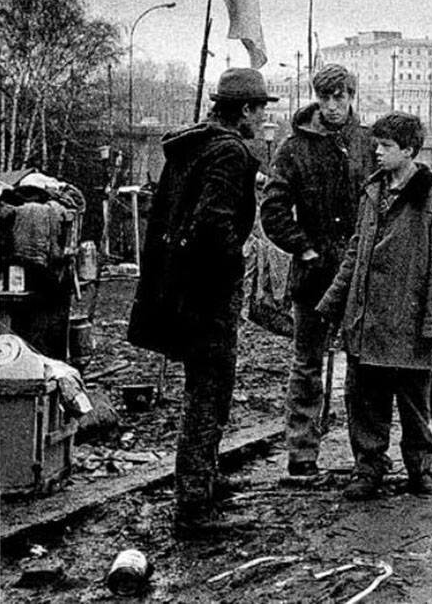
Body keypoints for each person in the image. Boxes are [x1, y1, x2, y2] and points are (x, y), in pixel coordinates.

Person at [127, 68, 276, 538]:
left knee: (202, 391)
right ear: (247, 110)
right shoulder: (231, 152)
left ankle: (200, 488)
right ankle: (195, 506)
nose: (263, 117)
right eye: (261, 109)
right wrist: (240, 251)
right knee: (210, 394)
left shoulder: (192, 145)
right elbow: (213, 222)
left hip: (180, 291)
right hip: (208, 296)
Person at [317, 112, 432, 500]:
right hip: (367, 321)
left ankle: (420, 468)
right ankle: (368, 468)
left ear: (410, 151)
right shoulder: (372, 193)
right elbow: (355, 253)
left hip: (409, 325)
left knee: (415, 404)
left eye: (386, 146)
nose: (377, 152)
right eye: (376, 145)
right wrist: (332, 303)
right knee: (365, 402)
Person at [260, 64, 373, 477]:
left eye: (339, 97)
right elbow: (272, 210)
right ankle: (302, 453)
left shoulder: (369, 144)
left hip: (361, 273)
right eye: (324, 98)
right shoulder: (293, 147)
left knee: (364, 366)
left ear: (351, 96)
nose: (332, 106)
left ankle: (368, 457)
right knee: (306, 365)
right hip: (314, 272)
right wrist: (303, 249)